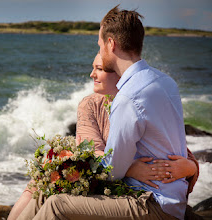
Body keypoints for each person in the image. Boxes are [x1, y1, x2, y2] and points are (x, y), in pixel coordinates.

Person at [14, 5, 195, 220]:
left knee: (56, 205)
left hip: (149, 202)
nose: (100, 51)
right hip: (172, 200)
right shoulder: (167, 82)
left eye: (100, 45)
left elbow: (112, 170)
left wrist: (68, 161)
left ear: (111, 43)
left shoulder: (128, 97)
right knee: (45, 192)